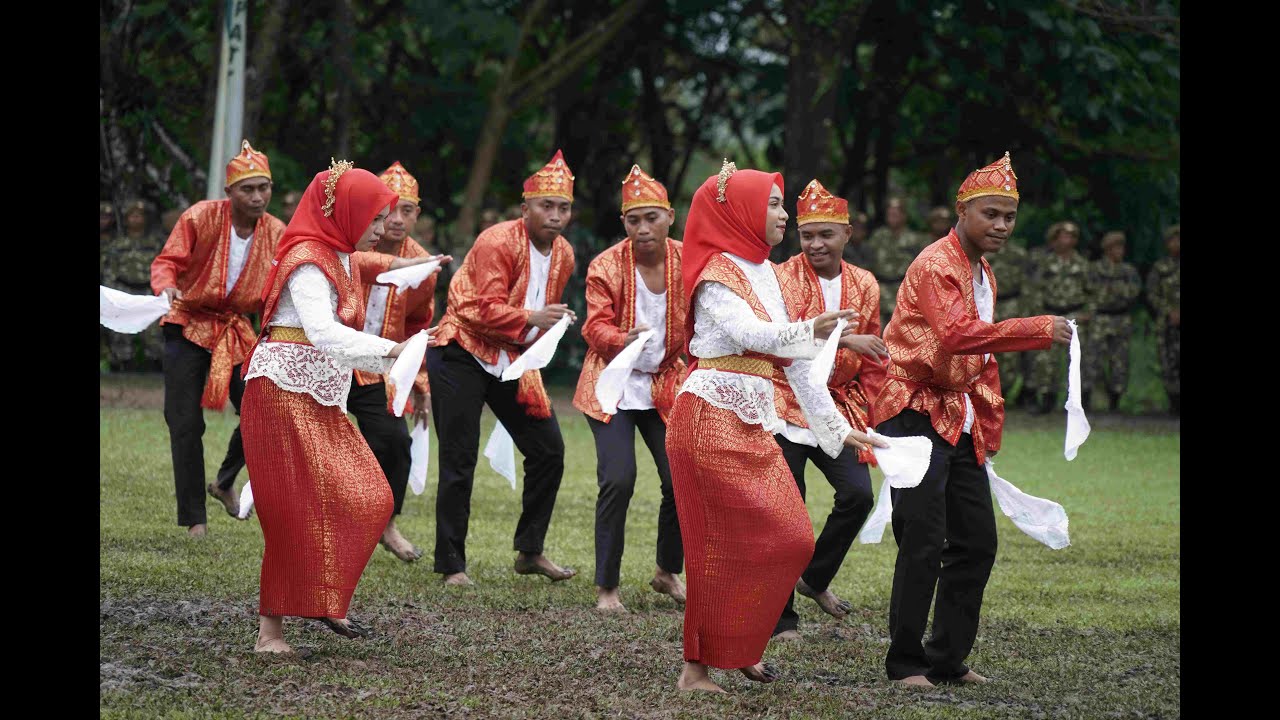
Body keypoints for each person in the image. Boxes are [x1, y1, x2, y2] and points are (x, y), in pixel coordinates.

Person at [667, 161, 884, 693]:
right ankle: (696, 669)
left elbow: (797, 364)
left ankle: (740, 645)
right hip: (708, 417)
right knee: (714, 545)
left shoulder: (763, 271)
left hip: (752, 420)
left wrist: (838, 430)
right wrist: (811, 328)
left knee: (789, 540)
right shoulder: (716, 273)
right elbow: (752, 334)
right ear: (738, 212)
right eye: (772, 204)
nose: (783, 215)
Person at [871, 152, 1072, 688]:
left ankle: (946, 657)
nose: (1001, 225)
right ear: (963, 211)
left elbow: (974, 359)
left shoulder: (982, 271)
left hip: (955, 416)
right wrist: (1035, 329)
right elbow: (958, 335)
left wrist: (987, 419)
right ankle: (905, 662)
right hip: (912, 411)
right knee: (923, 537)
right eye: (990, 214)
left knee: (977, 540)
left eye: (1008, 216)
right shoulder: (938, 264)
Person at [240, 159, 443, 654]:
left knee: (370, 495)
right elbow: (322, 333)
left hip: (319, 394)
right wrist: (394, 350)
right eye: (374, 218)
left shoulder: (343, 256)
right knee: (290, 510)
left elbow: (385, 282)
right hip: (281, 391)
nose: (381, 229)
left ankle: (323, 596)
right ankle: (271, 633)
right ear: (347, 212)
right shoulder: (309, 258)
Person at [427, 149, 579, 586]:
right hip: (461, 348)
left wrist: (546, 329)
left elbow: (537, 312)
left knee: (549, 450)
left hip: (510, 357)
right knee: (460, 457)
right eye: (545, 206)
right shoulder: (498, 241)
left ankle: (530, 551)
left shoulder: (564, 254)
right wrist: (532, 319)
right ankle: (452, 564)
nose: (554, 215)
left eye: (563, 207)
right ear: (525, 207)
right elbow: (472, 307)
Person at [769, 179, 889, 642]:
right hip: (786, 401)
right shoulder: (781, 277)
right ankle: (782, 619)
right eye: (806, 235)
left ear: (847, 235)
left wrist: (874, 413)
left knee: (857, 495)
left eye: (826, 235)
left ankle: (814, 579)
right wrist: (842, 338)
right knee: (787, 512)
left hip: (838, 405)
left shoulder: (864, 283)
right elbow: (779, 342)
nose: (815, 244)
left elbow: (875, 354)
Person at [150, 140, 286, 535]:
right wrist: (166, 286)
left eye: (264, 188)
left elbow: (280, 287)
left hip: (236, 329)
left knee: (263, 409)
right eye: (248, 188)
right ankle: (194, 519)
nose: (258, 196)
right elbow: (166, 263)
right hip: (188, 322)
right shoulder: (200, 217)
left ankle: (224, 481)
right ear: (229, 192)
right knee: (184, 422)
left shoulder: (278, 232)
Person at [572, 163, 687, 613]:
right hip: (612, 383)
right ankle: (607, 587)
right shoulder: (606, 265)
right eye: (633, 220)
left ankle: (666, 570)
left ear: (670, 217)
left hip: (664, 383)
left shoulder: (688, 260)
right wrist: (625, 338)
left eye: (651, 218)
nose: (643, 228)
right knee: (618, 480)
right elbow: (594, 326)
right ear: (624, 223)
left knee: (679, 478)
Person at [347, 162, 447, 562]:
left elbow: (420, 323)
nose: (397, 219)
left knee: (395, 443)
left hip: (379, 365)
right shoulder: (354, 244)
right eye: (389, 209)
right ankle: (231, 483)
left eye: (407, 210)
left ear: (417, 215)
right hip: (333, 358)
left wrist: (419, 383)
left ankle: (386, 525)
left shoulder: (424, 262)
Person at [1026, 221, 1092, 413]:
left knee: (1077, 359)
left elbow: (1092, 292)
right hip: (1051, 314)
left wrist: (1088, 312)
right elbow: (1036, 290)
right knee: (1046, 360)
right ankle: (1046, 399)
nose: (1067, 240)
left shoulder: (1082, 264)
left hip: (1076, 315)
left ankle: (1077, 401)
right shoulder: (1045, 263)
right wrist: (1039, 315)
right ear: (1054, 239)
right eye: (1063, 236)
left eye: (1071, 236)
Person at [103, 199, 166, 371]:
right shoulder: (117, 243)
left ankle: (154, 368)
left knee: (153, 331)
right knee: (120, 330)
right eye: (132, 216)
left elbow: (164, 266)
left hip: (149, 290)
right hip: (124, 290)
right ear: (126, 219)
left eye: (139, 216)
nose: (136, 219)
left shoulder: (156, 242)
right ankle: (122, 366)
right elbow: (110, 269)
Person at [1085, 231, 1141, 412]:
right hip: (1099, 318)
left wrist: (1112, 291)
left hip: (1120, 318)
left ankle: (1115, 401)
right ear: (1107, 249)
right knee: (1092, 359)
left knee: (1120, 361)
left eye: (1122, 247)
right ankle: (1086, 399)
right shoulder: (1095, 269)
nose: (1120, 251)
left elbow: (1133, 293)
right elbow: (1088, 291)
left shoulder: (1128, 271)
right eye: (1116, 247)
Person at [866, 198, 929, 330]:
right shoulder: (878, 236)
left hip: (904, 290)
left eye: (896, 214)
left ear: (904, 216)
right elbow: (869, 261)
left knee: (904, 330)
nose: (892, 217)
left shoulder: (915, 239)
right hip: (881, 290)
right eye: (889, 214)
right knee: (879, 331)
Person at [1146, 225, 1180, 415]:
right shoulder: (1161, 268)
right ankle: (1174, 404)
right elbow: (1151, 294)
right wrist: (1168, 311)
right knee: (1169, 363)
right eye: (1173, 240)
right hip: (1168, 324)